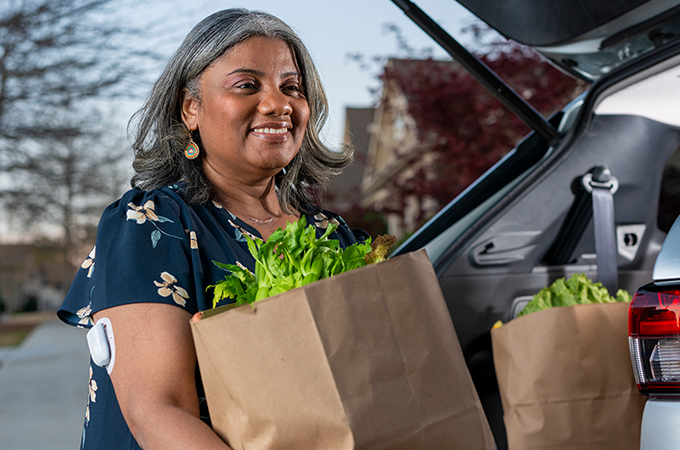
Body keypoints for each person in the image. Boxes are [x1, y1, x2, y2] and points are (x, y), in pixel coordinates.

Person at [58, 9, 365, 450]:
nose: (278, 103)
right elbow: (158, 411)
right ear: (191, 108)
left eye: (291, 87)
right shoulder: (153, 224)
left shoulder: (333, 235)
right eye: (247, 85)